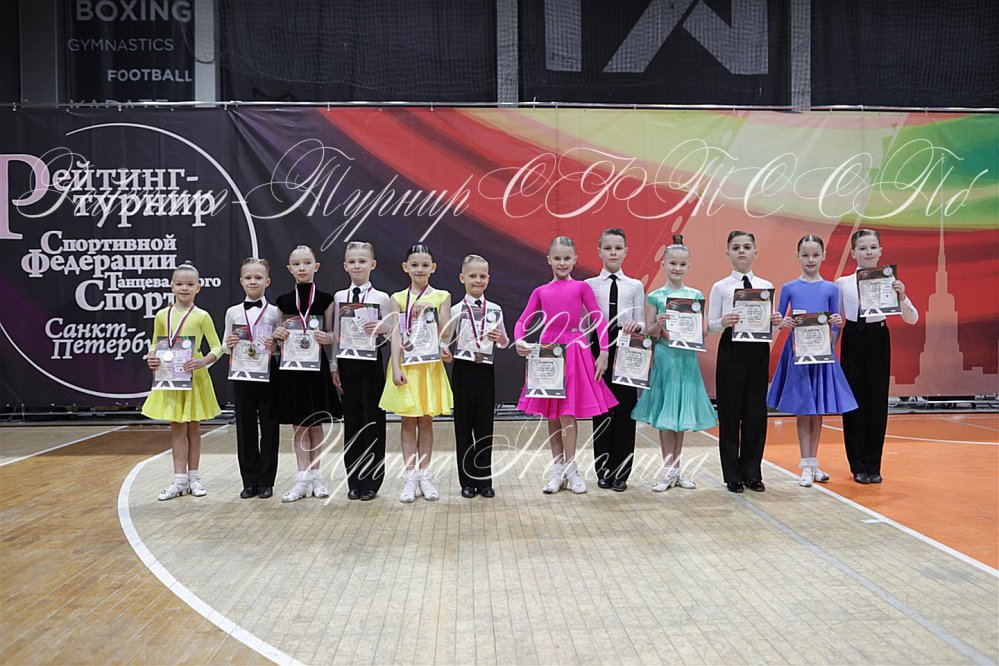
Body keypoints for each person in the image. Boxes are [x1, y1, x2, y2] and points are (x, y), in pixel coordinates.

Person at [514, 236, 617, 495]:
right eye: (557, 258)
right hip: (548, 353)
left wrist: (604, 351)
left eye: (567, 258)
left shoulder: (581, 287)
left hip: (574, 352)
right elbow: (522, 321)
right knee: (552, 414)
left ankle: (572, 470)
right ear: (549, 259)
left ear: (575, 260)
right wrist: (519, 340)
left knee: (567, 413)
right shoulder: (540, 291)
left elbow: (598, 318)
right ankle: (557, 469)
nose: (562, 263)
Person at [767, 235, 858, 487]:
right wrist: (781, 322)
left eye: (815, 255)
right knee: (804, 409)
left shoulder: (831, 288)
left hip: (821, 354)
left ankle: (813, 462)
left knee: (817, 410)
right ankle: (805, 464)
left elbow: (835, 324)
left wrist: (837, 326)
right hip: (797, 354)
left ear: (823, 256)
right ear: (797, 256)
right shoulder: (789, 288)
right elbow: (778, 320)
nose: (810, 260)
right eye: (805, 255)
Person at [632, 235, 717, 491]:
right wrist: (658, 323)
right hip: (665, 359)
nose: (677, 268)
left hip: (686, 360)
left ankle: (677, 470)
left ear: (689, 266)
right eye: (672, 263)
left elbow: (702, 331)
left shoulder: (695, 295)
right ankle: (667, 470)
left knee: (680, 416)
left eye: (682, 264)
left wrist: (696, 327)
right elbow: (649, 333)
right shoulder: (655, 296)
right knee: (667, 416)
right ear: (664, 264)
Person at [836, 228, 919, 484]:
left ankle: (874, 465)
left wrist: (902, 295)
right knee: (854, 403)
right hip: (853, 338)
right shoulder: (842, 283)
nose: (868, 252)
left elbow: (912, 318)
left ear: (881, 251)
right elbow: (836, 321)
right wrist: (828, 350)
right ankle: (857, 465)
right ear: (853, 253)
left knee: (877, 402)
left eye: (873, 247)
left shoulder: (890, 281)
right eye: (862, 248)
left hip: (878, 339)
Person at [707, 231, 784, 494]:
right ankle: (732, 475)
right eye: (736, 247)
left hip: (758, 350)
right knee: (730, 413)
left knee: (755, 412)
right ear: (727, 253)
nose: (742, 251)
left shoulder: (765, 286)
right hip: (731, 348)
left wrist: (775, 323)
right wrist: (722, 322)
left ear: (755, 252)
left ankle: (752, 472)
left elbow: (769, 329)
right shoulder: (720, 287)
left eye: (747, 247)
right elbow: (710, 325)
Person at [142, 261, 223, 501]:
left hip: (194, 377)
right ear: (171, 286)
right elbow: (155, 343)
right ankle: (179, 480)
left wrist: (202, 361)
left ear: (199, 287)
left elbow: (218, 346)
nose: (184, 288)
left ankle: (194, 478)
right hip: (171, 376)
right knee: (177, 426)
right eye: (179, 284)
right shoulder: (161, 315)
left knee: (194, 427)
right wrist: (151, 357)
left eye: (189, 284)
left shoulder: (202, 316)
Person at [379, 244, 454, 503]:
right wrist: (395, 367)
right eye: (414, 265)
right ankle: (410, 476)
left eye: (424, 265)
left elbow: (446, 332)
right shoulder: (398, 298)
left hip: (429, 367)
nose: (419, 269)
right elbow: (395, 335)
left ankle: (425, 475)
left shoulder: (442, 296)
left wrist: (431, 312)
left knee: (426, 421)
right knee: (408, 422)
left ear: (433, 267)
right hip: (407, 366)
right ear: (405, 267)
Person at [271, 245, 342, 502]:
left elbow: (335, 335)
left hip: (316, 368)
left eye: (307, 263)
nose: (302, 268)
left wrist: (328, 337)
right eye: (296, 264)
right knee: (299, 425)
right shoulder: (282, 301)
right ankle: (301, 478)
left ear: (316, 266)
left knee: (316, 423)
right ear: (289, 269)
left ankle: (317, 476)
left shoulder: (326, 300)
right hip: (292, 369)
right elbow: (276, 342)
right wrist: (277, 336)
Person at [330, 241, 391, 501]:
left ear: (372, 264)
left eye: (362, 261)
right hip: (347, 364)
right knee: (352, 422)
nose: (357, 266)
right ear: (345, 265)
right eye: (352, 261)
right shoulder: (339, 297)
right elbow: (336, 333)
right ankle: (354, 480)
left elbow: (392, 335)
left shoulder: (381, 298)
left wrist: (384, 329)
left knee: (373, 421)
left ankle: (372, 482)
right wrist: (333, 365)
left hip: (371, 364)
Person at [585, 228, 645, 492]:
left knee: (625, 410)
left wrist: (636, 326)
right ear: (599, 251)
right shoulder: (589, 285)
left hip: (627, 345)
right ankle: (603, 470)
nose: (613, 253)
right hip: (598, 346)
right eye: (607, 248)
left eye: (618, 248)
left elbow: (643, 322)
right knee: (601, 411)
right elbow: (583, 321)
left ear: (626, 252)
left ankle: (622, 473)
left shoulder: (635, 285)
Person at [222, 257, 283, 499]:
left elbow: (281, 347)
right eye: (248, 277)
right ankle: (249, 481)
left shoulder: (275, 312)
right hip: (242, 373)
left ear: (267, 281)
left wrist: (275, 347)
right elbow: (225, 345)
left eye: (258, 277)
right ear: (241, 281)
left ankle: (267, 481)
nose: (253, 281)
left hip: (268, 373)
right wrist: (229, 344)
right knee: (245, 427)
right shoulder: (232, 312)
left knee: (269, 427)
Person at [448, 254, 509, 499]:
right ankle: (466, 481)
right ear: (462, 278)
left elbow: (505, 341)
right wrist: (445, 350)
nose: (477, 280)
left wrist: (500, 339)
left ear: (488, 279)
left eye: (482, 276)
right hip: (463, 370)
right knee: (463, 427)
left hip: (485, 369)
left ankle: (484, 481)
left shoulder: (495, 309)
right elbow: (445, 341)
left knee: (485, 426)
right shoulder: (455, 310)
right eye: (472, 276)